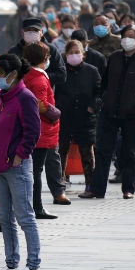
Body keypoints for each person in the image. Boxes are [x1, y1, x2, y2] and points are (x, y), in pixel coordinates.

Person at [81, 25, 135, 200]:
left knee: (130, 151)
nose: (126, 40)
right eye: (124, 36)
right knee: (102, 150)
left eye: (130, 37)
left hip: (130, 113)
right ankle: (97, 189)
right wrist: (102, 99)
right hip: (109, 111)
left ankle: (128, 189)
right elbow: (105, 82)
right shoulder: (114, 57)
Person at [0, 54, 42, 270]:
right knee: (5, 216)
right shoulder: (3, 97)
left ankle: (33, 264)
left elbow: (32, 131)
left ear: (13, 74)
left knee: (24, 215)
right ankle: (11, 262)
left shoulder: (25, 97)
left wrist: (20, 154)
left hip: (16, 166)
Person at [20, 42, 70, 219]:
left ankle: (32, 206)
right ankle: (37, 207)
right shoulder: (39, 78)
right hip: (41, 131)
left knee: (32, 170)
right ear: (44, 59)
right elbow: (40, 105)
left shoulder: (27, 75)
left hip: (34, 129)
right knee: (36, 170)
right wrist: (56, 113)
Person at [55, 39, 102, 194]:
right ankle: (60, 183)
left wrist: (92, 107)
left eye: (77, 52)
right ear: (66, 54)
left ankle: (90, 185)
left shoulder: (92, 71)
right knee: (62, 151)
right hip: (65, 116)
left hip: (85, 117)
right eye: (71, 53)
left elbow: (99, 92)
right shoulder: (61, 71)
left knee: (87, 152)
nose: (74, 55)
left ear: (83, 53)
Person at [7, 18, 66, 88]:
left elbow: (62, 74)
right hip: (19, 93)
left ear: (42, 32)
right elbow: (7, 74)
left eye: (35, 30)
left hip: (44, 92)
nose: (32, 33)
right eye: (28, 30)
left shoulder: (51, 50)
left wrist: (40, 76)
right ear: (22, 33)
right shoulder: (14, 52)